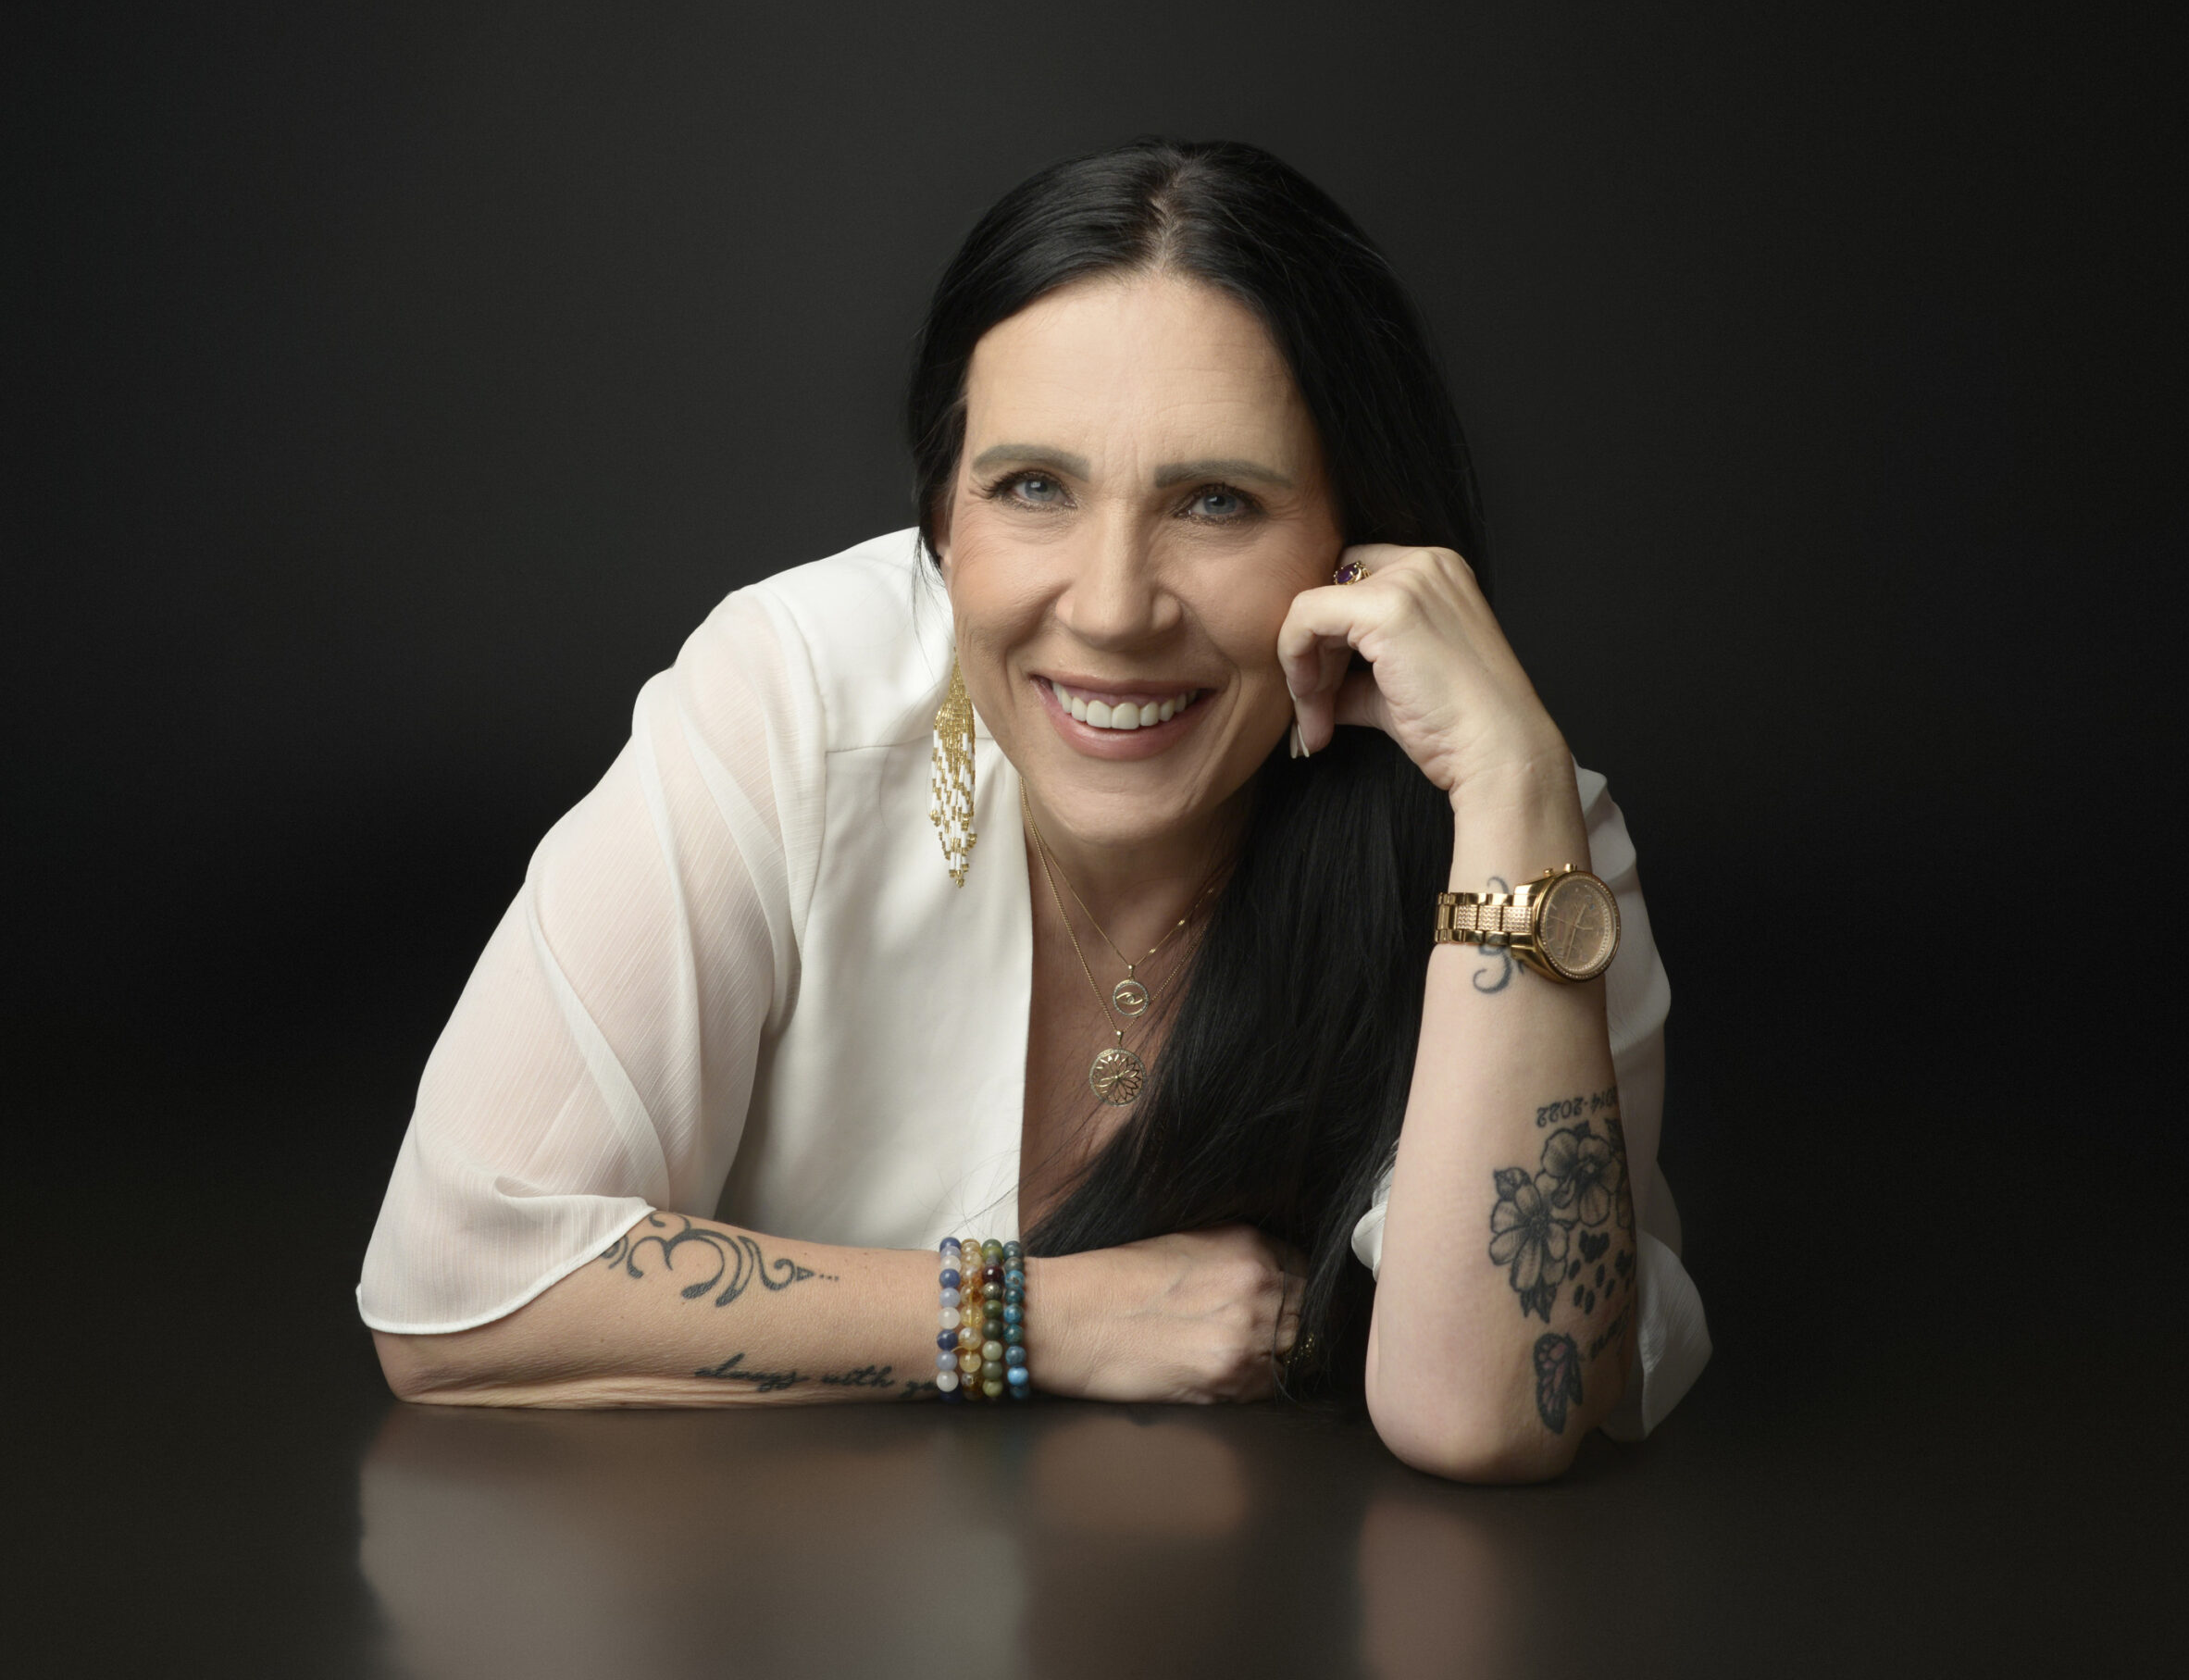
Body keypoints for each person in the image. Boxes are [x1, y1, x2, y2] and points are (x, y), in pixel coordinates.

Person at [359, 138, 1709, 1483]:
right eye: (1034, 489)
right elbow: (454, 1289)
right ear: (943, 522)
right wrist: (1028, 1318)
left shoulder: (1514, 835)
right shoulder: (790, 697)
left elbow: (1488, 1413)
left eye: (1218, 502)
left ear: (1362, 546)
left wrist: (1519, 788)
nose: (1115, 607)